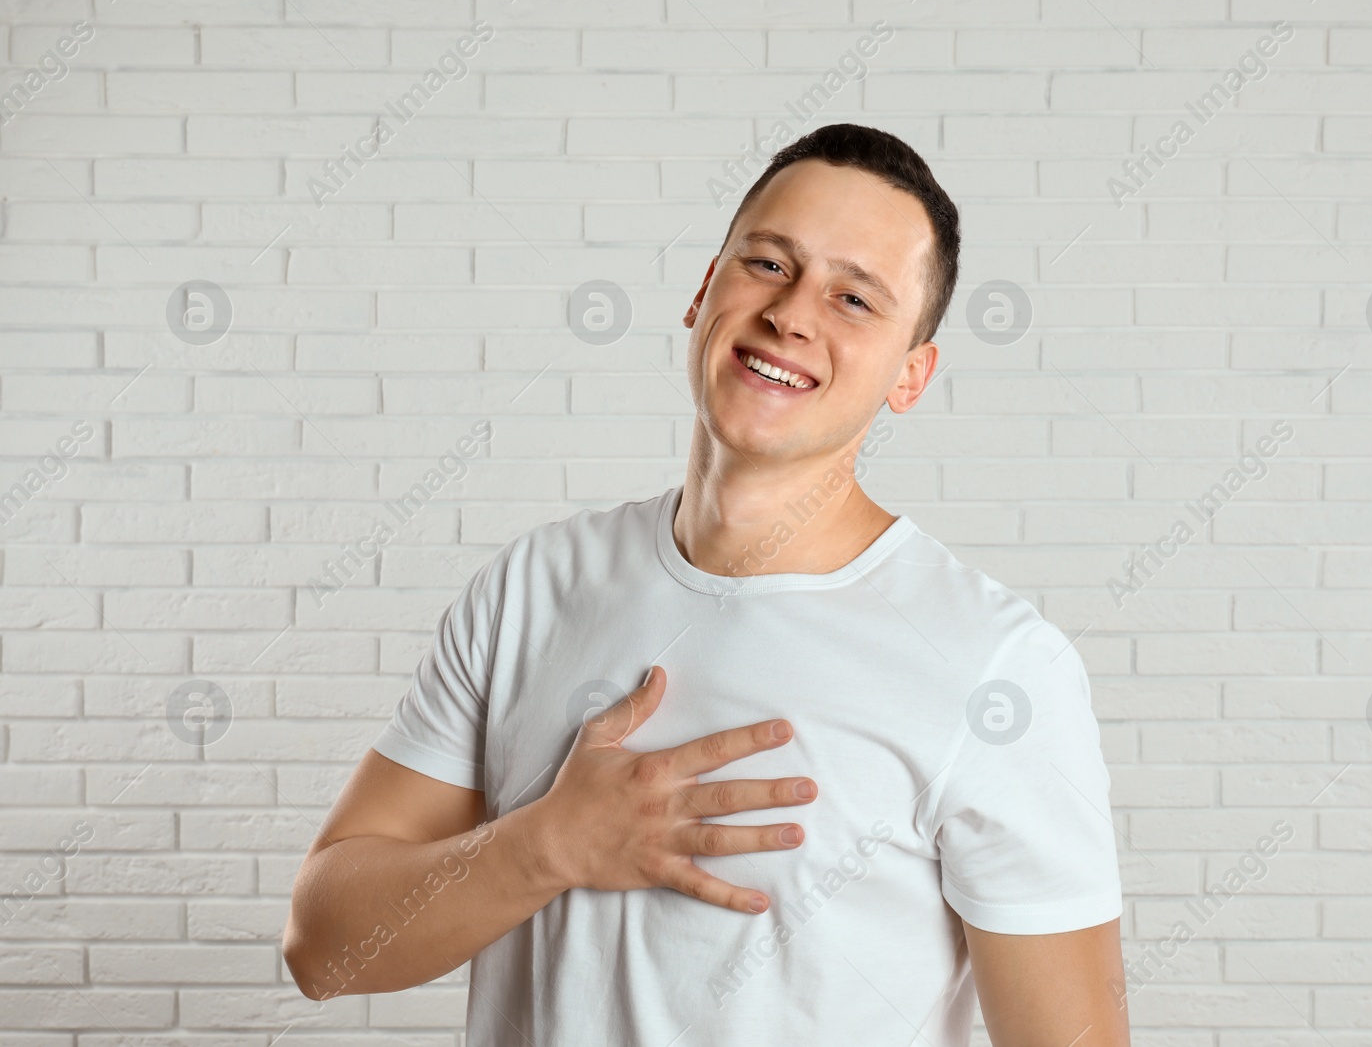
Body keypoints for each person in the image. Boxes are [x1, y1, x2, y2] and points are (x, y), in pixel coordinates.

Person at [284, 123, 1129, 1046]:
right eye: (769, 264)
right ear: (704, 290)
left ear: (911, 375)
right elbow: (324, 949)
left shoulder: (997, 665)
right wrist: (544, 844)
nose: (793, 315)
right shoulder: (534, 584)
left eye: (855, 298)